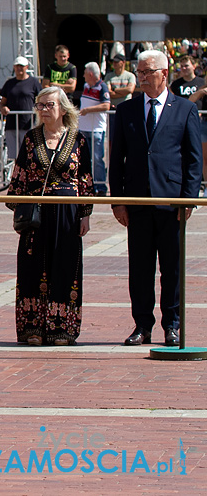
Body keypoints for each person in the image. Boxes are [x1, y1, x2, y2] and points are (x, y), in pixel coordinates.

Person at [110, 49, 203, 347]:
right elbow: (117, 160)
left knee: (172, 268)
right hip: (137, 203)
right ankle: (142, 325)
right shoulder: (127, 110)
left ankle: (172, 325)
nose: (142, 77)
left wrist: (187, 200)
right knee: (139, 268)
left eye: (147, 72)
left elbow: (193, 160)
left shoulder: (185, 109)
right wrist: (118, 201)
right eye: (140, 72)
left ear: (164, 74)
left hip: (171, 203)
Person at [7, 86, 93, 346]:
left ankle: (62, 329)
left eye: (49, 105)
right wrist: (18, 207)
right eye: (40, 105)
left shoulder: (78, 140)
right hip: (36, 211)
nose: (44, 110)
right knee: (33, 267)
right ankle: (32, 328)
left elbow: (86, 178)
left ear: (63, 108)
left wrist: (85, 214)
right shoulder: (31, 138)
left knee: (66, 266)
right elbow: (19, 173)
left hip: (67, 210)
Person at [169, 54, 207, 187]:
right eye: (182, 66)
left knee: (199, 153)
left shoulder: (201, 82)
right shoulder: (176, 84)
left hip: (198, 121)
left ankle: (202, 183)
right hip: (180, 121)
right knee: (183, 152)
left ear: (194, 66)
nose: (184, 68)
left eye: (186, 65)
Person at [0, 56, 41, 165]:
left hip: (28, 125)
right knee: (14, 156)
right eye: (17, 66)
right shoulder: (9, 83)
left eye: (21, 66)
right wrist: (3, 108)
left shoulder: (34, 82)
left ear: (26, 67)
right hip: (11, 124)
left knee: (28, 154)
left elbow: (40, 100)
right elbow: (2, 102)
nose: (19, 69)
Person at [78, 62, 111, 196]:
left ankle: (101, 187)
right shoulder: (86, 86)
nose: (83, 75)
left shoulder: (102, 87)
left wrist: (88, 110)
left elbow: (106, 105)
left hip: (96, 128)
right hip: (84, 128)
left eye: (85, 73)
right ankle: (87, 185)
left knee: (97, 158)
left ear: (91, 74)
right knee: (85, 158)